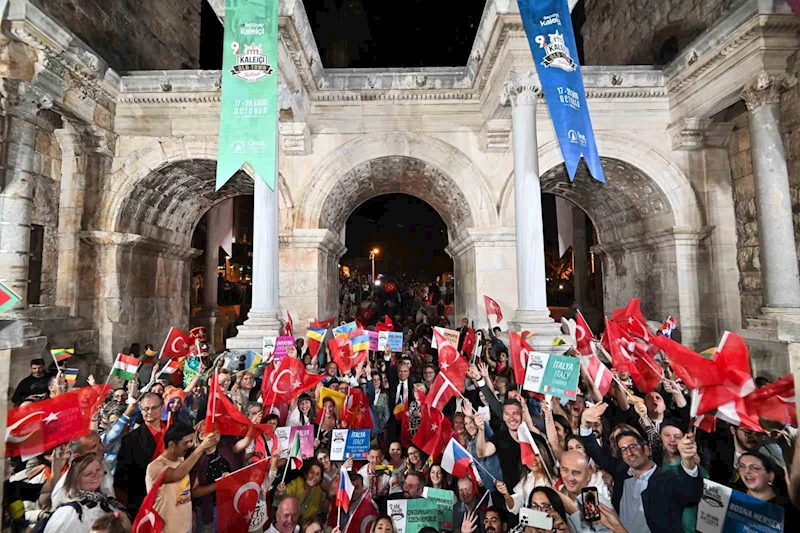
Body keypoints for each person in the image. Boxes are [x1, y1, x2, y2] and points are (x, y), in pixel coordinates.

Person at [579, 403, 703, 533]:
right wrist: (585, 424)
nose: (629, 453)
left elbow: (692, 495)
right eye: (623, 449)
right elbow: (595, 452)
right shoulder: (621, 471)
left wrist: (688, 461)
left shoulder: (667, 478)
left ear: (646, 450)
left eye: (633, 447)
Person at [145, 424, 219, 533]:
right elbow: (176, 475)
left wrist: (191, 516)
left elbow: (185, 491)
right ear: (172, 444)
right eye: (186, 443)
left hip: (186, 527)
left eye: (191, 441)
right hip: (167, 530)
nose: (189, 445)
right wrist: (201, 447)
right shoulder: (155, 467)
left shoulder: (180, 459)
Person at [43, 454, 127, 533]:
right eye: (88, 474)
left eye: (98, 469)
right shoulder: (69, 513)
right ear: (75, 479)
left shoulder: (108, 504)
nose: (96, 475)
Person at [114, 392, 165, 517]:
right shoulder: (131, 439)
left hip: (172, 497)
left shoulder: (174, 431)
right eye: (146, 409)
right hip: (143, 500)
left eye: (154, 408)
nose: (149, 412)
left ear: (162, 407)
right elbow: (123, 476)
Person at [737, 452, 800, 523]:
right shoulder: (732, 495)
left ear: (770, 476)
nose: (746, 471)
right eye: (742, 466)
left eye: (755, 468)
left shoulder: (787, 509)